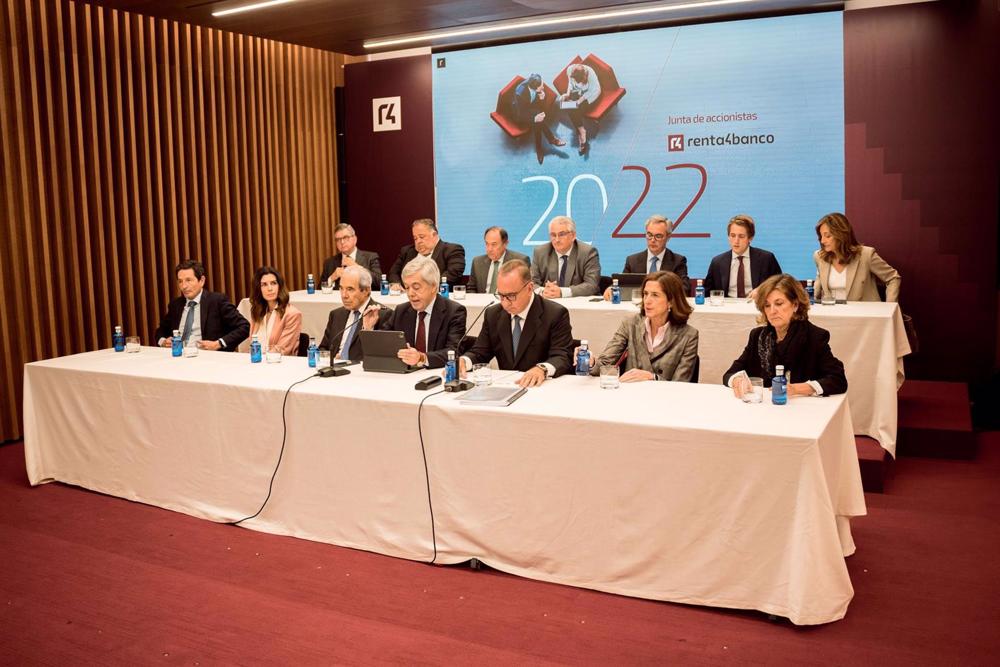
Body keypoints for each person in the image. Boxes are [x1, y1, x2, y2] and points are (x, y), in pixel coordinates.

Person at [723, 274, 847, 397]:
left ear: (795, 305)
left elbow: (838, 380)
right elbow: (730, 374)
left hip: (802, 410)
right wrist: (737, 380)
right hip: (764, 408)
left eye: (779, 303)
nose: (772, 311)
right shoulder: (758, 336)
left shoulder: (814, 336)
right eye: (767, 305)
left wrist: (797, 388)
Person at [460, 259, 573, 387]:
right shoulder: (493, 314)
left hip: (540, 387)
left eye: (511, 296)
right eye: (501, 296)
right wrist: (464, 361)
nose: (505, 303)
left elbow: (562, 356)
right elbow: (480, 352)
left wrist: (542, 368)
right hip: (507, 386)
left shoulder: (555, 314)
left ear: (529, 288)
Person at [588, 271, 698, 382]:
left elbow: (681, 385)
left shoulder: (689, 336)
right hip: (629, 395)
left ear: (671, 302)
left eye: (655, 295)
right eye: (645, 294)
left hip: (664, 397)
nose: (647, 301)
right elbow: (603, 365)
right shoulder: (630, 324)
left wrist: (653, 377)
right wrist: (590, 361)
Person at [379, 256, 466, 369]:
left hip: (437, 376)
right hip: (405, 376)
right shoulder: (401, 311)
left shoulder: (454, 312)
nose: (410, 293)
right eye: (407, 287)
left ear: (434, 287)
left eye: (416, 287)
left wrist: (422, 358)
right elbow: (382, 343)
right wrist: (368, 327)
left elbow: (453, 352)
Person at [155, 259, 249, 351]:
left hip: (207, 358)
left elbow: (244, 327)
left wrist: (218, 344)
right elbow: (160, 331)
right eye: (180, 281)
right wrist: (163, 341)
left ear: (202, 280)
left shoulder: (217, 301)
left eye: (188, 280)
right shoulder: (175, 305)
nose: (184, 286)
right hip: (178, 356)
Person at [813, 212, 901, 302]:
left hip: (864, 314)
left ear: (841, 235)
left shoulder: (866, 255)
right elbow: (820, 278)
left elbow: (893, 278)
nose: (822, 241)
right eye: (821, 236)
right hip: (831, 314)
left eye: (827, 236)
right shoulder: (819, 257)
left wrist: (890, 307)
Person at [606, 214, 689, 298]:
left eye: (658, 236)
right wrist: (611, 288)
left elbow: (685, 289)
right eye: (649, 235)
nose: (653, 240)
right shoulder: (632, 261)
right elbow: (622, 285)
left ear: (668, 237)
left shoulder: (678, 261)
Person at [319, 265, 392, 361]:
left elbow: (382, 357)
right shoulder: (336, 315)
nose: (344, 295)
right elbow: (323, 349)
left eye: (350, 289)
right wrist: (331, 360)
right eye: (341, 288)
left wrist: (368, 331)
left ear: (366, 290)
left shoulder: (383, 315)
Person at [702, 214, 782, 299]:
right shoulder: (717, 262)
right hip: (727, 308)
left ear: (750, 238)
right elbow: (707, 294)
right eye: (732, 235)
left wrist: (762, 290)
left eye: (741, 236)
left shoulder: (766, 259)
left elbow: (780, 284)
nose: (736, 241)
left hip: (756, 306)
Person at [237, 266, 302, 356]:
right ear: (258, 289)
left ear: (280, 286)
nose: (270, 288)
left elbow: (282, 349)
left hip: (279, 365)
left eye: (273, 283)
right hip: (257, 363)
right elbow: (252, 346)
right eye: (264, 284)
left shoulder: (292, 314)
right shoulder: (257, 312)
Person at [531, 216, 601, 297]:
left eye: (561, 234)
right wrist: (544, 291)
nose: (557, 240)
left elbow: (592, 285)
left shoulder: (587, 252)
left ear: (573, 235)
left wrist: (561, 292)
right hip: (550, 304)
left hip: (578, 306)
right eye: (553, 235)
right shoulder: (540, 252)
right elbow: (531, 283)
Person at [387, 218, 465, 291]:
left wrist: (422, 288)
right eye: (415, 238)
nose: (418, 241)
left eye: (421, 237)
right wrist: (395, 283)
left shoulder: (452, 250)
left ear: (434, 235)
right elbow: (393, 272)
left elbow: (452, 275)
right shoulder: (407, 251)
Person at [513, 73, 566, 165]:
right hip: (522, 113)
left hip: (533, 107)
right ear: (535, 88)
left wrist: (542, 98)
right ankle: (549, 141)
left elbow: (540, 106)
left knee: (539, 122)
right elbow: (521, 114)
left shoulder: (535, 83)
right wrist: (534, 118)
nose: (543, 87)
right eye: (541, 86)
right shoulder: (520, 94)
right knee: (537, 123)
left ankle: (541, 147)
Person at [467, 226, 530, 294]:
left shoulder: (520, 261)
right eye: (487, 244)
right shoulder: (477, 262)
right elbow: (471, 288)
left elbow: (524, 290)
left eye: (494, 244)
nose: (489, 249)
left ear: (505, 244)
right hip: (482, 303)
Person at [319, 223, 381, 289]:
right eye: (338, 239)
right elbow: (318, 291)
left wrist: (357, 268)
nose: (342, 242)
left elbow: (379, 282)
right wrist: (331, 278)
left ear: (355, 239)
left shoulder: (370, 257)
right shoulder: (329, 263)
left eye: (345, 237)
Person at [559, 63, 601, 155]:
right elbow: (570, 83)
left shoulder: (590, 74)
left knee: (574, 109)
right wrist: (567, 94)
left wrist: (579, 101)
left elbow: (592, 90)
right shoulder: (570, 70)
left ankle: (581, 133)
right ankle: (582, 131)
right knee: (569, 107)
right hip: (578, 92)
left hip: (590, 95)